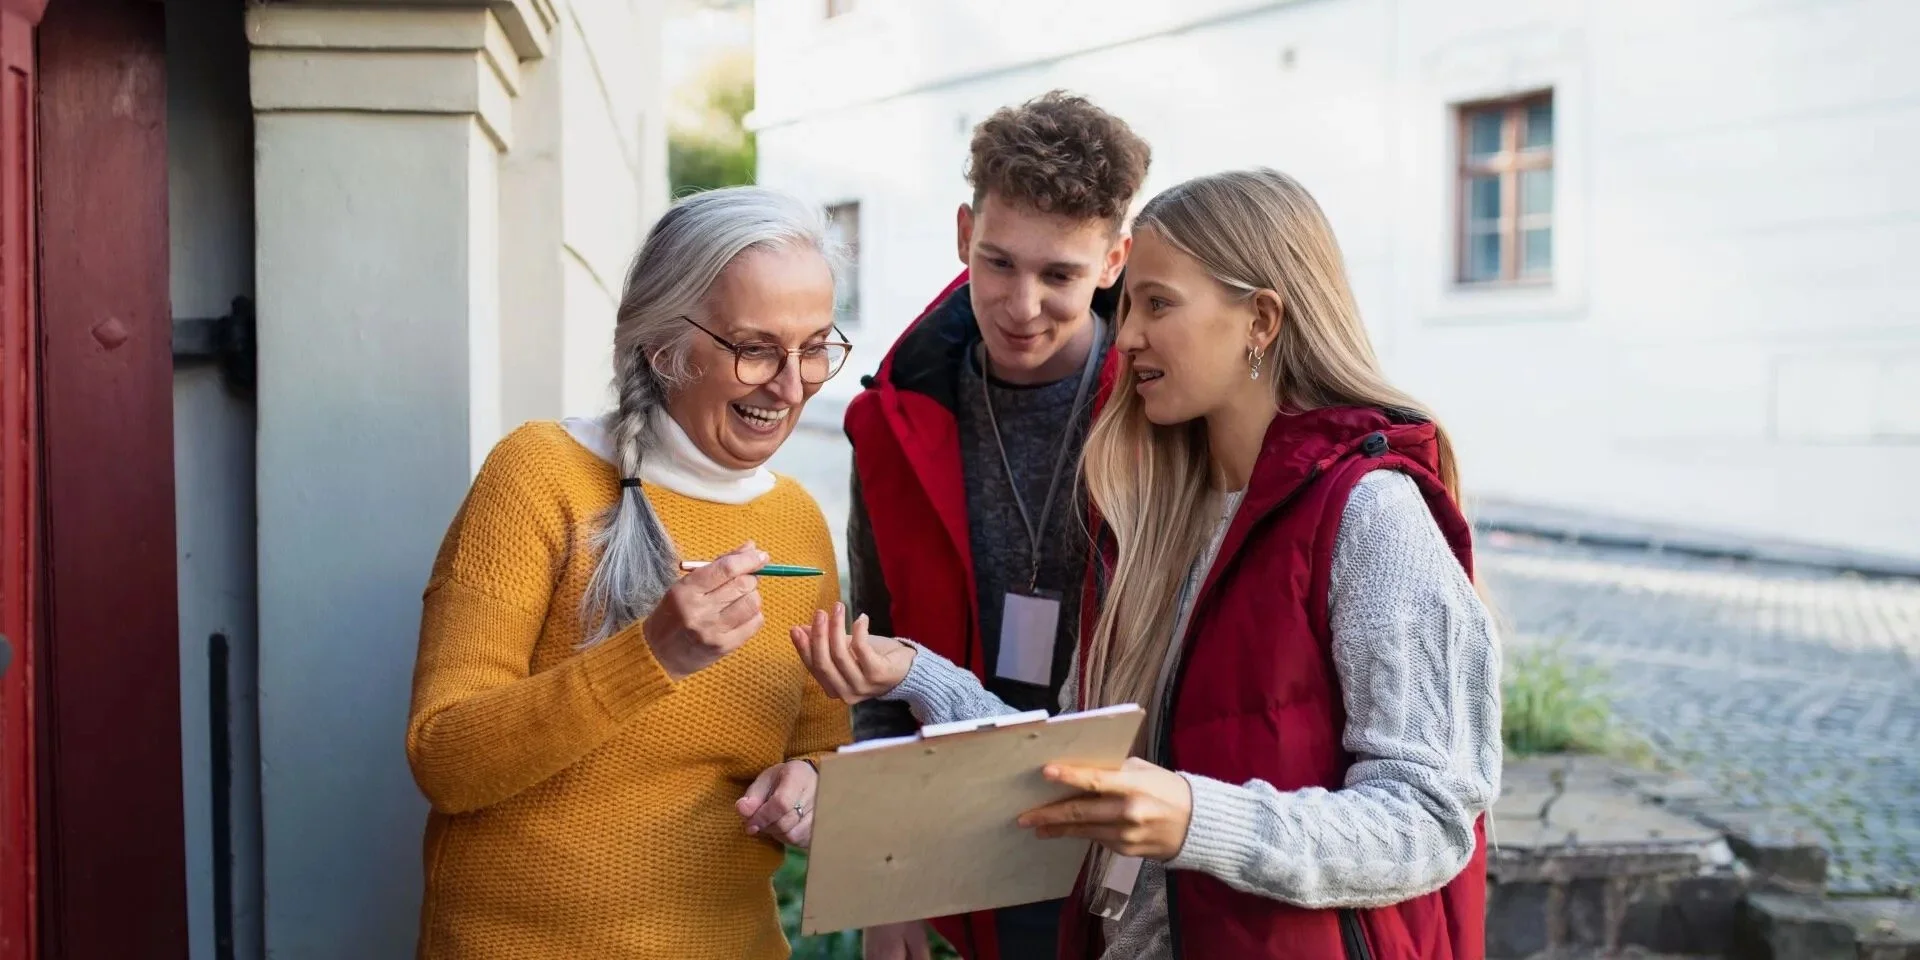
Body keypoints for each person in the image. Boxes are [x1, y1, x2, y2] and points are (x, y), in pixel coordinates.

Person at [797, 168, 1501, 960]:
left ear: (1260, 320)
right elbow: (1072, 762)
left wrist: (1194, 820)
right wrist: (915, 675)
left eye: (1156, 303)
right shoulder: (1151, 516)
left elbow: (1432, 819)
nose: (1125, 334)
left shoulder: (1372, 516)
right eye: (1128, 303)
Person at [404, 186, 855, 960]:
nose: (792, 385)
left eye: (816, 345)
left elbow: (823, 748)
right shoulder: (540, 475)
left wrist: (812, 784)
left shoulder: (800, 524)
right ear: (662, 346)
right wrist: (651, 656)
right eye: (757, 347)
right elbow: (446, 758)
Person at [843, 90, 1151, 960]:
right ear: (962, 234)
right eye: (997, 263)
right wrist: (888, 879)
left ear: (1114, 258)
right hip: (966, 835)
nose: (1022, 305)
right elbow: (880, 653)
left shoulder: (1164, 411)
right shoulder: (893, 421)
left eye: (1059, 274)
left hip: (1135, 836)